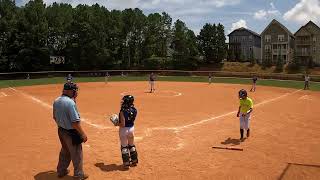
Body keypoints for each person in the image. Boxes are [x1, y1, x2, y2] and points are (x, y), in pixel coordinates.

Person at [53, 83, 88, 179]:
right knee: (77, 153)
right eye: (74, 91)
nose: (75, 92)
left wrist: (62, 125)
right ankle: (78, 175)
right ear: (68, 91)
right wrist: (83, 134)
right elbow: (75, 123)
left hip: (61, 130)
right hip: (71, 133)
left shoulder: (56, 101)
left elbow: (54, 117)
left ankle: (61, 171)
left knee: (65, 151)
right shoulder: (70, 103)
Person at [119, 95, 138, 168]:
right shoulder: (134, 110)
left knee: (124, 147)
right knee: (131, 145)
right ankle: (134, 161)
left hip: (124, 130)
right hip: (131, 129)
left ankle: (126, 163)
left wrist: (116, 123)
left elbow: (123, 124)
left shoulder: (122, 111)